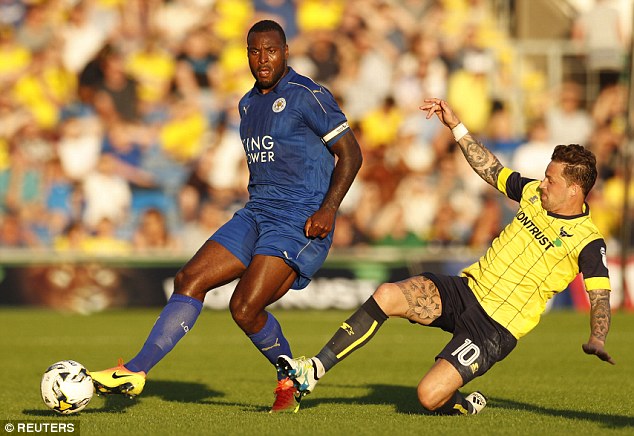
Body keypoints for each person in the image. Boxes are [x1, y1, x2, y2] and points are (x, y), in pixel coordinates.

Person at [90, 20, 363, 413]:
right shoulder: (247, 104)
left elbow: (351, 154)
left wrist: (328, 209)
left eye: (270, 50)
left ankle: (291, 377)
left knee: (244, 308)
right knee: (188, 278)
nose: (263, 59)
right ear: (247, 54)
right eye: (255, 51)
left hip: (299, 218)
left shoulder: (308, 95)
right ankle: (135, 371)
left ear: (286, 51)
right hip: (257, 212)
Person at [276, 97, 614, 415]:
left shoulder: (587, 240)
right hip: (466, 290)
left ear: (574, 190)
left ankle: (464, 405)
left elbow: (599, 295)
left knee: (428, 396)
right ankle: (314, 369)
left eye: (550, 180)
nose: (542, 183)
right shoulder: (532, 194)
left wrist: (597, 337)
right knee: (387, 294)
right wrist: (457, 127)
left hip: (495, 326)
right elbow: (491, 169)